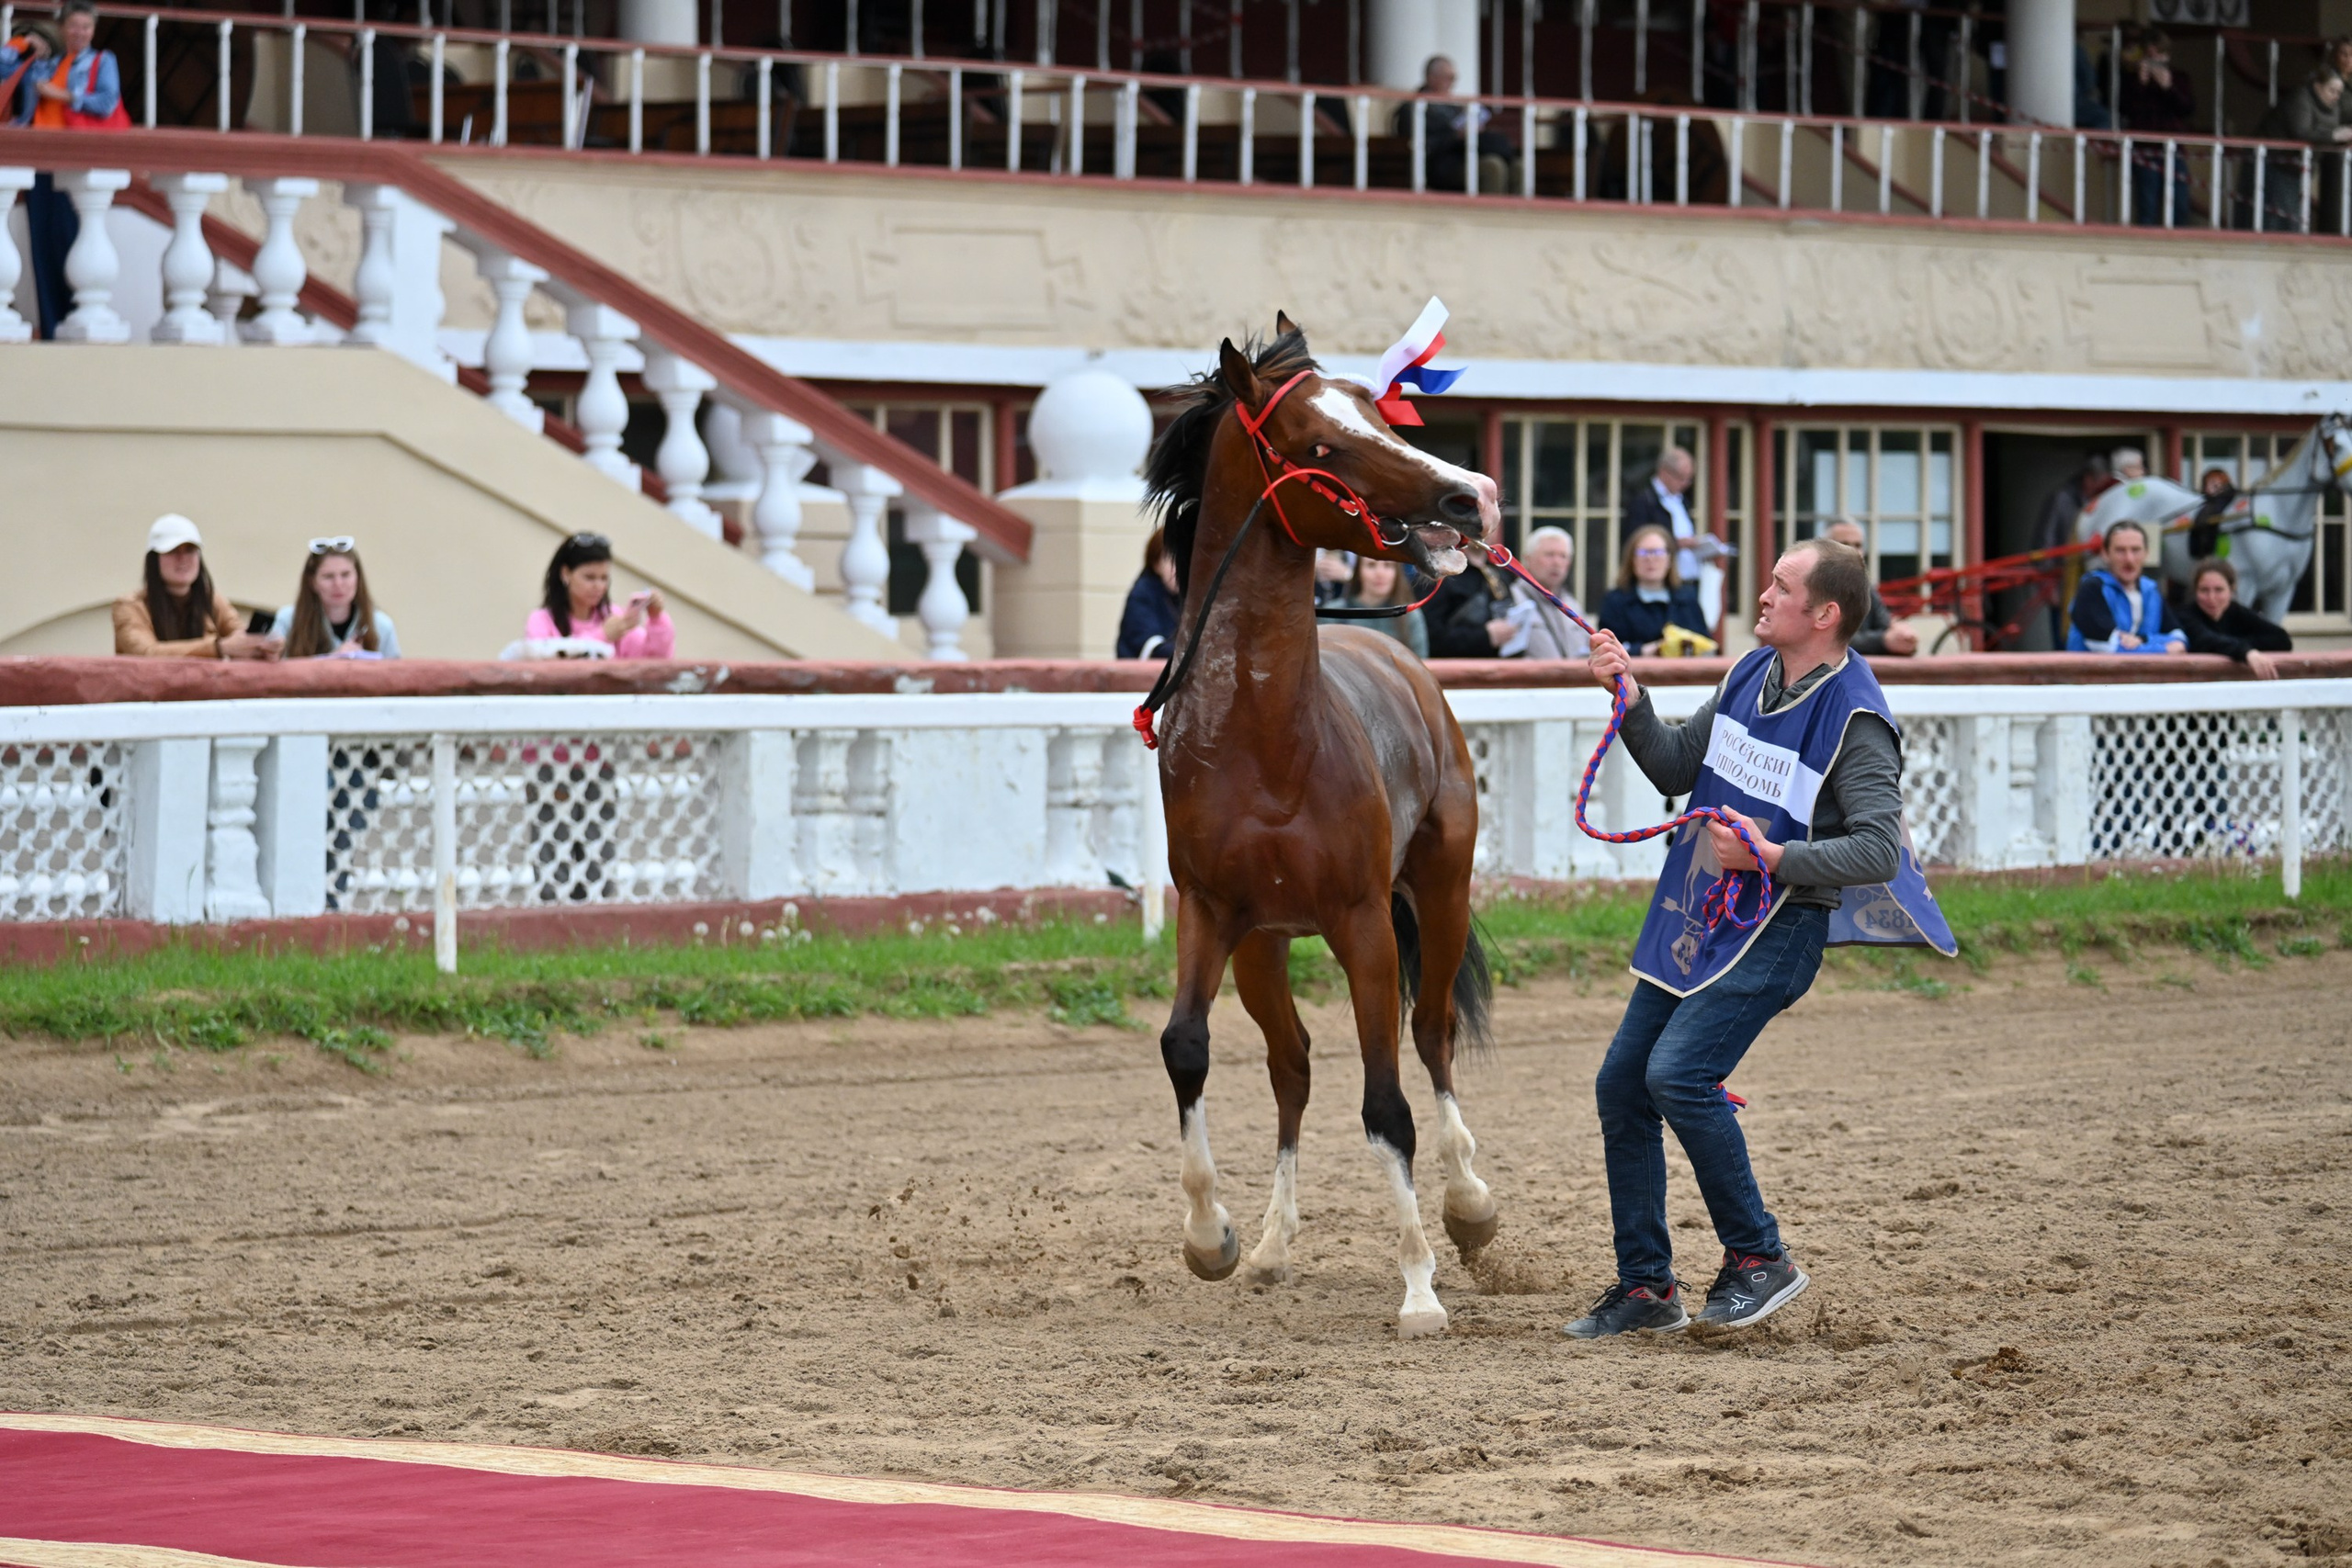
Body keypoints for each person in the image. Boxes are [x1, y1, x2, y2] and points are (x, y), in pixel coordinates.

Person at [1564, 536, 1951, 1339]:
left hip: (1782, 928)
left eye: (1780, 586)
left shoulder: (1858, 716)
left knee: (1677, 1075)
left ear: (1825, 613)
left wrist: (1774, 857)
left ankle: (1757, 1259)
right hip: (1695, 915)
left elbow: (1879, 848)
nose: (1762, 595)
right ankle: (1646, 1288)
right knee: (1621, 1085)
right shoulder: (1748, 673)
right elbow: (1675, 765)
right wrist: (1628, 696)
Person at [8, 2, 124, 340]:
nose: (80, 33)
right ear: (62, 28)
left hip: (75, 159)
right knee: (42, 242)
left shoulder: (103, 61)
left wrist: (65, 95)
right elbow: (22, 98)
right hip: (43, 159)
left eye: (86, 27)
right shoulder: (48, 64)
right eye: (74, 26)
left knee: (70, 236)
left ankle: (74, 317)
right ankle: (51, 323)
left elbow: (106, 102)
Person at [114, 514, 282, 660]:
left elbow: (236, 632)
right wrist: (219, 648)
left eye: (190, 550)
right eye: (172, 551)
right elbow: (146, 654)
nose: (183, 558)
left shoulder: (211, 599)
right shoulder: (129, 606)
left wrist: (262, 646)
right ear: (154, 560)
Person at [526, 533, 674, 657]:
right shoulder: (541, 620)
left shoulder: (614, 616)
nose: (599, 586)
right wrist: (603, 636)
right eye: (590, 577)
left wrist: (657, 619)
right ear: (565, 574)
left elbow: (653, 661)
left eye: (604, 578)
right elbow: (547, 667)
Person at [1392, 54, 1513, 193]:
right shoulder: (1413, 108)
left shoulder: (1455, 107)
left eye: (1453, 78)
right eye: (1448, 78)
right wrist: (1456, 135)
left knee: (1519, 167)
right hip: (1438, 164)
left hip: (1462, 155)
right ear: (1431, 77)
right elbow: (1421, 143)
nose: (1452, 83)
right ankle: (1493, 214)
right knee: (1493, 166)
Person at [2066, 520, 2186, 654]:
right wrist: (2164, 649)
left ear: (2146, 553)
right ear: (2105, 554)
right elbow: (2110, 649)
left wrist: (2142, 639)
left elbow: (2179, 638)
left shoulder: (2150, 590)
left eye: (2136, 550)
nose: (2129, 559)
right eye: (2120, 550)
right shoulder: (2092, 588)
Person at [2255, 68, 2351, 232]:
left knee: (2293, 217)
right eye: (2332, 90)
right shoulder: (2300, 98)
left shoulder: (2333, 107)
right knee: (2280, 217)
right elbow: (2301, 132)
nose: (2336, 96)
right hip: (2278, 165)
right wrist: (2334, 136)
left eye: (2339, 92)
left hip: (2300, 169)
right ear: (2317, 87)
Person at [271, 537, 401, 659]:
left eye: (345, 575)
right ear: (312, 582)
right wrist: (332, 661)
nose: (338, 584)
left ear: (358, 578)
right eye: (328, 576)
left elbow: (396, 677)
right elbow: (272, 675)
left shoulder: (381, 626)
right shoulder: (287, 620)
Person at [2117, 28, 2195, 225]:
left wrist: (2169, 88)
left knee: (2180, 205)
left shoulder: (2179, 77)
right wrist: (2140, 84)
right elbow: (2124, 109)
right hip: (2145, 149)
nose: (2153, 61)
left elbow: (2186, 108)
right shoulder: (2132, 79)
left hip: (2173, 148)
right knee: (2147, 206)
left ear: (2166, 55)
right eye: (2149, 55)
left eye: (2157, 55)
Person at [1599, 525, 1710, 655]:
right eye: (1643, 553)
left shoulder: (1687, 599)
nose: (1650, 559)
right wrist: (1645, 650)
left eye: (1658, 552)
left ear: (1669, 559)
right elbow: (1607, 649)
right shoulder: (1615, 601)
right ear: (1632, 560)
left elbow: (1707, 644)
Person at [2178, 557, 2290, 680]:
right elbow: (2206, 640)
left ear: (2231, 590)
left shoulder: (2237, 611)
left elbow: (2281, 639)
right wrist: (2246, 652)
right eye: (2204, 590)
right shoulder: (2185, 615)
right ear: (2195, 592)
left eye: (2219, 590)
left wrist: (2242, 648)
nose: (2211, 598)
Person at [1823, 520, 1917, 656]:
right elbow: (1827, 639)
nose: (1853, 551)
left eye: (1858, 545)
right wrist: (1883, 641)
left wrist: (1903, 635)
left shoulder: (1865, 587)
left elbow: (1885, 624)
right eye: (1844, 544)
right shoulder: (1813, 588)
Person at [1500, 525, 1590, 660]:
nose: (1557, 563)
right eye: (1549, 555)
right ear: (1527, 559)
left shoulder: (1573, 604)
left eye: (1563, 556)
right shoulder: (1511, 598)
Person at [1622, 447, 1707, 583]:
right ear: (1664, 472)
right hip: (1661, 580)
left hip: (1689, 577)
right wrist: (1675, 543)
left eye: (1689, 479)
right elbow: (1635, 540)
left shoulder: (1682, 500)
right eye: (1681, 478)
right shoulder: (1644, 500)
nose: (1685, 484)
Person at [1318, 555, 1430, 659]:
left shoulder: (1410, 615)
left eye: (1388, 565)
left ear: (1397, 573)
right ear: (1358, 572)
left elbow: (1420, 663)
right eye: (1371, 565)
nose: (1380, 573)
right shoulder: (1333, 612)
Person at [1423, 550, 1517, 658]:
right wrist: (1484, 637)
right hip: (1454, 669)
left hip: (1504, 665)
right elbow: (1431, 637)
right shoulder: (1440, 574)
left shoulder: (1501, 572)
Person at [1117, 526, 1182, 660]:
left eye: (1183, 560)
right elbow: (1149, 648)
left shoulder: (1192, 596)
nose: (1178, 567)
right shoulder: (1143, 594)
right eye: (1170, 559)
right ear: (1156, 564)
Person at [2187, 466, 2237, 559]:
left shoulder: (2212, 507)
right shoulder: (2209, 505)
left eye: (2214, 483)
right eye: (2209, 483)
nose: (2209, 488)